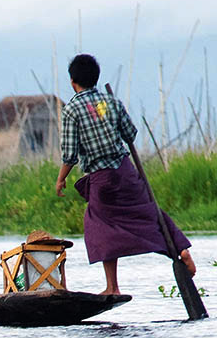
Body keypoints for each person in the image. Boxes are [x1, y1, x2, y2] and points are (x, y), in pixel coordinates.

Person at [55, 53, 196, 295]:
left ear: (72, 81)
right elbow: (130, 134)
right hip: (126, 171)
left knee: (99, 224)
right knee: (148, 214)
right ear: (95, 78)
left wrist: (60, 179)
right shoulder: (111, 102)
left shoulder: (72, 110)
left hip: (103, 179)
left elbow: (70, 154)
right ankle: (180, 249)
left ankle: (112, 287)